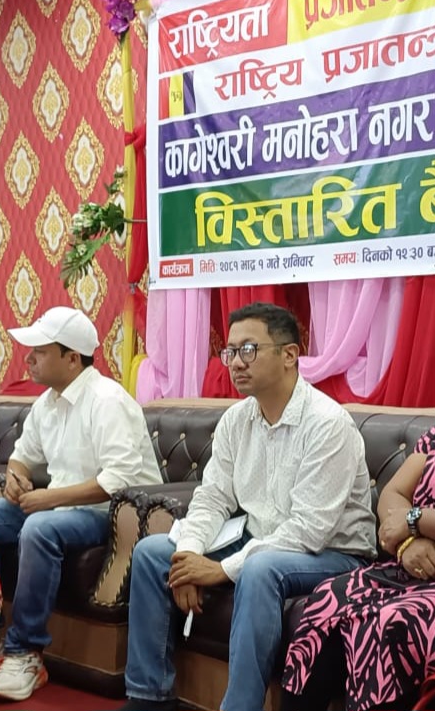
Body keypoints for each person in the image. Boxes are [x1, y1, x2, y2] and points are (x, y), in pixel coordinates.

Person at [117, 302, 376, 711]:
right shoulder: (237, 419)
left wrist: (220, 570)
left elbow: (308, 530)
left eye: (249, 350)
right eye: (231, 351)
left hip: (333, 552)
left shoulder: (328, 424)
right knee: (153, 553)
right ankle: (149, 698)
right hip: (261, 539)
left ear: (289, 355)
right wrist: (188, 556)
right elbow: (213, 497)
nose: (236, 362)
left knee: (259, 568)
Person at [0, 306, 163, 703]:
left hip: (111, 515)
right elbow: (22, 456)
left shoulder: (107, 400)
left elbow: (118, 481)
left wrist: (48, 498)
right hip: (62, 508)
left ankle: (26, 652)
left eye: (39, 351)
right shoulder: (47, 403)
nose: (29, 359)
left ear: (72, 358)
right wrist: (16, 478)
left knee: (40, 527)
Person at [283, 424, 435, 711]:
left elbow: (407, 516)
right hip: (410, 567)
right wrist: (407, 544)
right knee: (329, 597)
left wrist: (413, 520)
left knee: (392, 619)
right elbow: (393, 492)